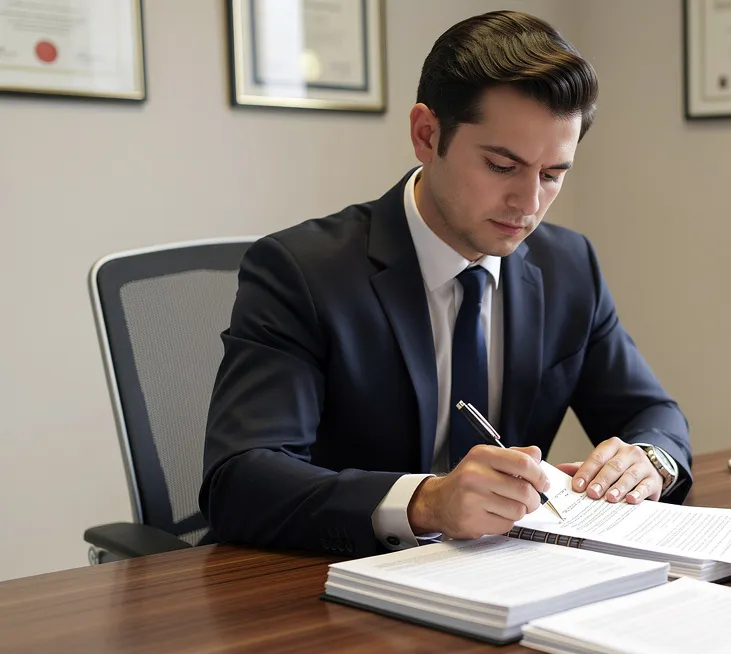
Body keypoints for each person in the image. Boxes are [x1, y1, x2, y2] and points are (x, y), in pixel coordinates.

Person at [199, 10, 691, 557]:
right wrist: (426, 503)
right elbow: (240, 480)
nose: (528, 205)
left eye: (553, 174)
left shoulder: (568, 265)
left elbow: (653, 414)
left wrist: (648, 459)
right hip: (332, 585)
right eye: (503, 166)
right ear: (426, 134)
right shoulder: (301, 272)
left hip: (504, 583)